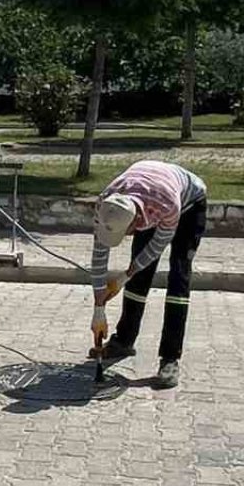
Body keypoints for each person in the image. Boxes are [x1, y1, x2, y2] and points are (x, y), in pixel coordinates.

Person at [88, 160, 208, 389]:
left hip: (189, 203)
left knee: (178, 277)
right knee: (140, 279)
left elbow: (154, 249)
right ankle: (124, 340)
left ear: (135, 223)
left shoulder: (167, 206)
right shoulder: (106, 205)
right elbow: (99, 252)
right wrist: (98, 306)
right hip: (145, 194)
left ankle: (170, 359)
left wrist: (124, 277)